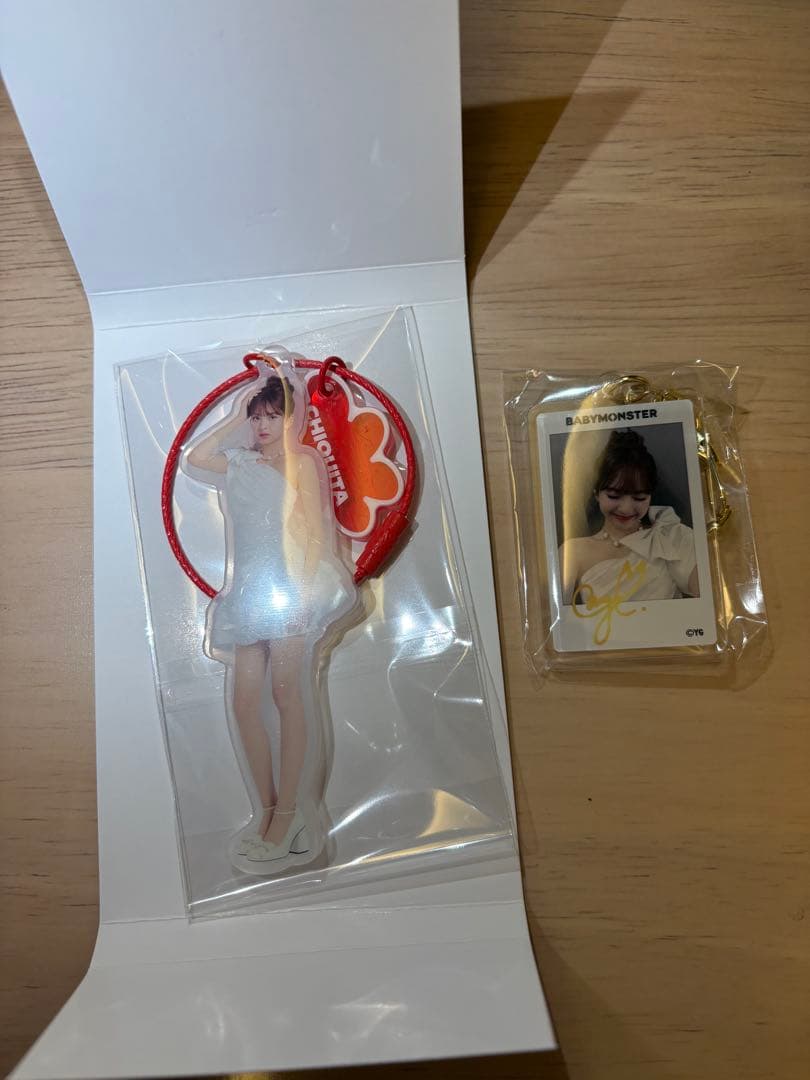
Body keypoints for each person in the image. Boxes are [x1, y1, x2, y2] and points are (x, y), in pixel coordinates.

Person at [185, 368, 356, 869]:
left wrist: (301, 593)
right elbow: (195, 457)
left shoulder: (301, 463)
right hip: (251, 591)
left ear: (290, 418)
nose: (262, 426)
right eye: (257, 417)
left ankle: (289, 812)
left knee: (286, 693)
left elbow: (311, 533)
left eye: (272, 416)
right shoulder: (239, 462)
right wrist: (234, 415)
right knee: (244, 702)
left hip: (290, 587)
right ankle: (266, 808)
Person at [558, 428, 699, 606]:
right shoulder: (573, 552)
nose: (626, 508)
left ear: (650, 497)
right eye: (614, 496)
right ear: (596, 493)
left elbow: (708, 598)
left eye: (639, 498)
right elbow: (553, 617)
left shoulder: (670, 537)